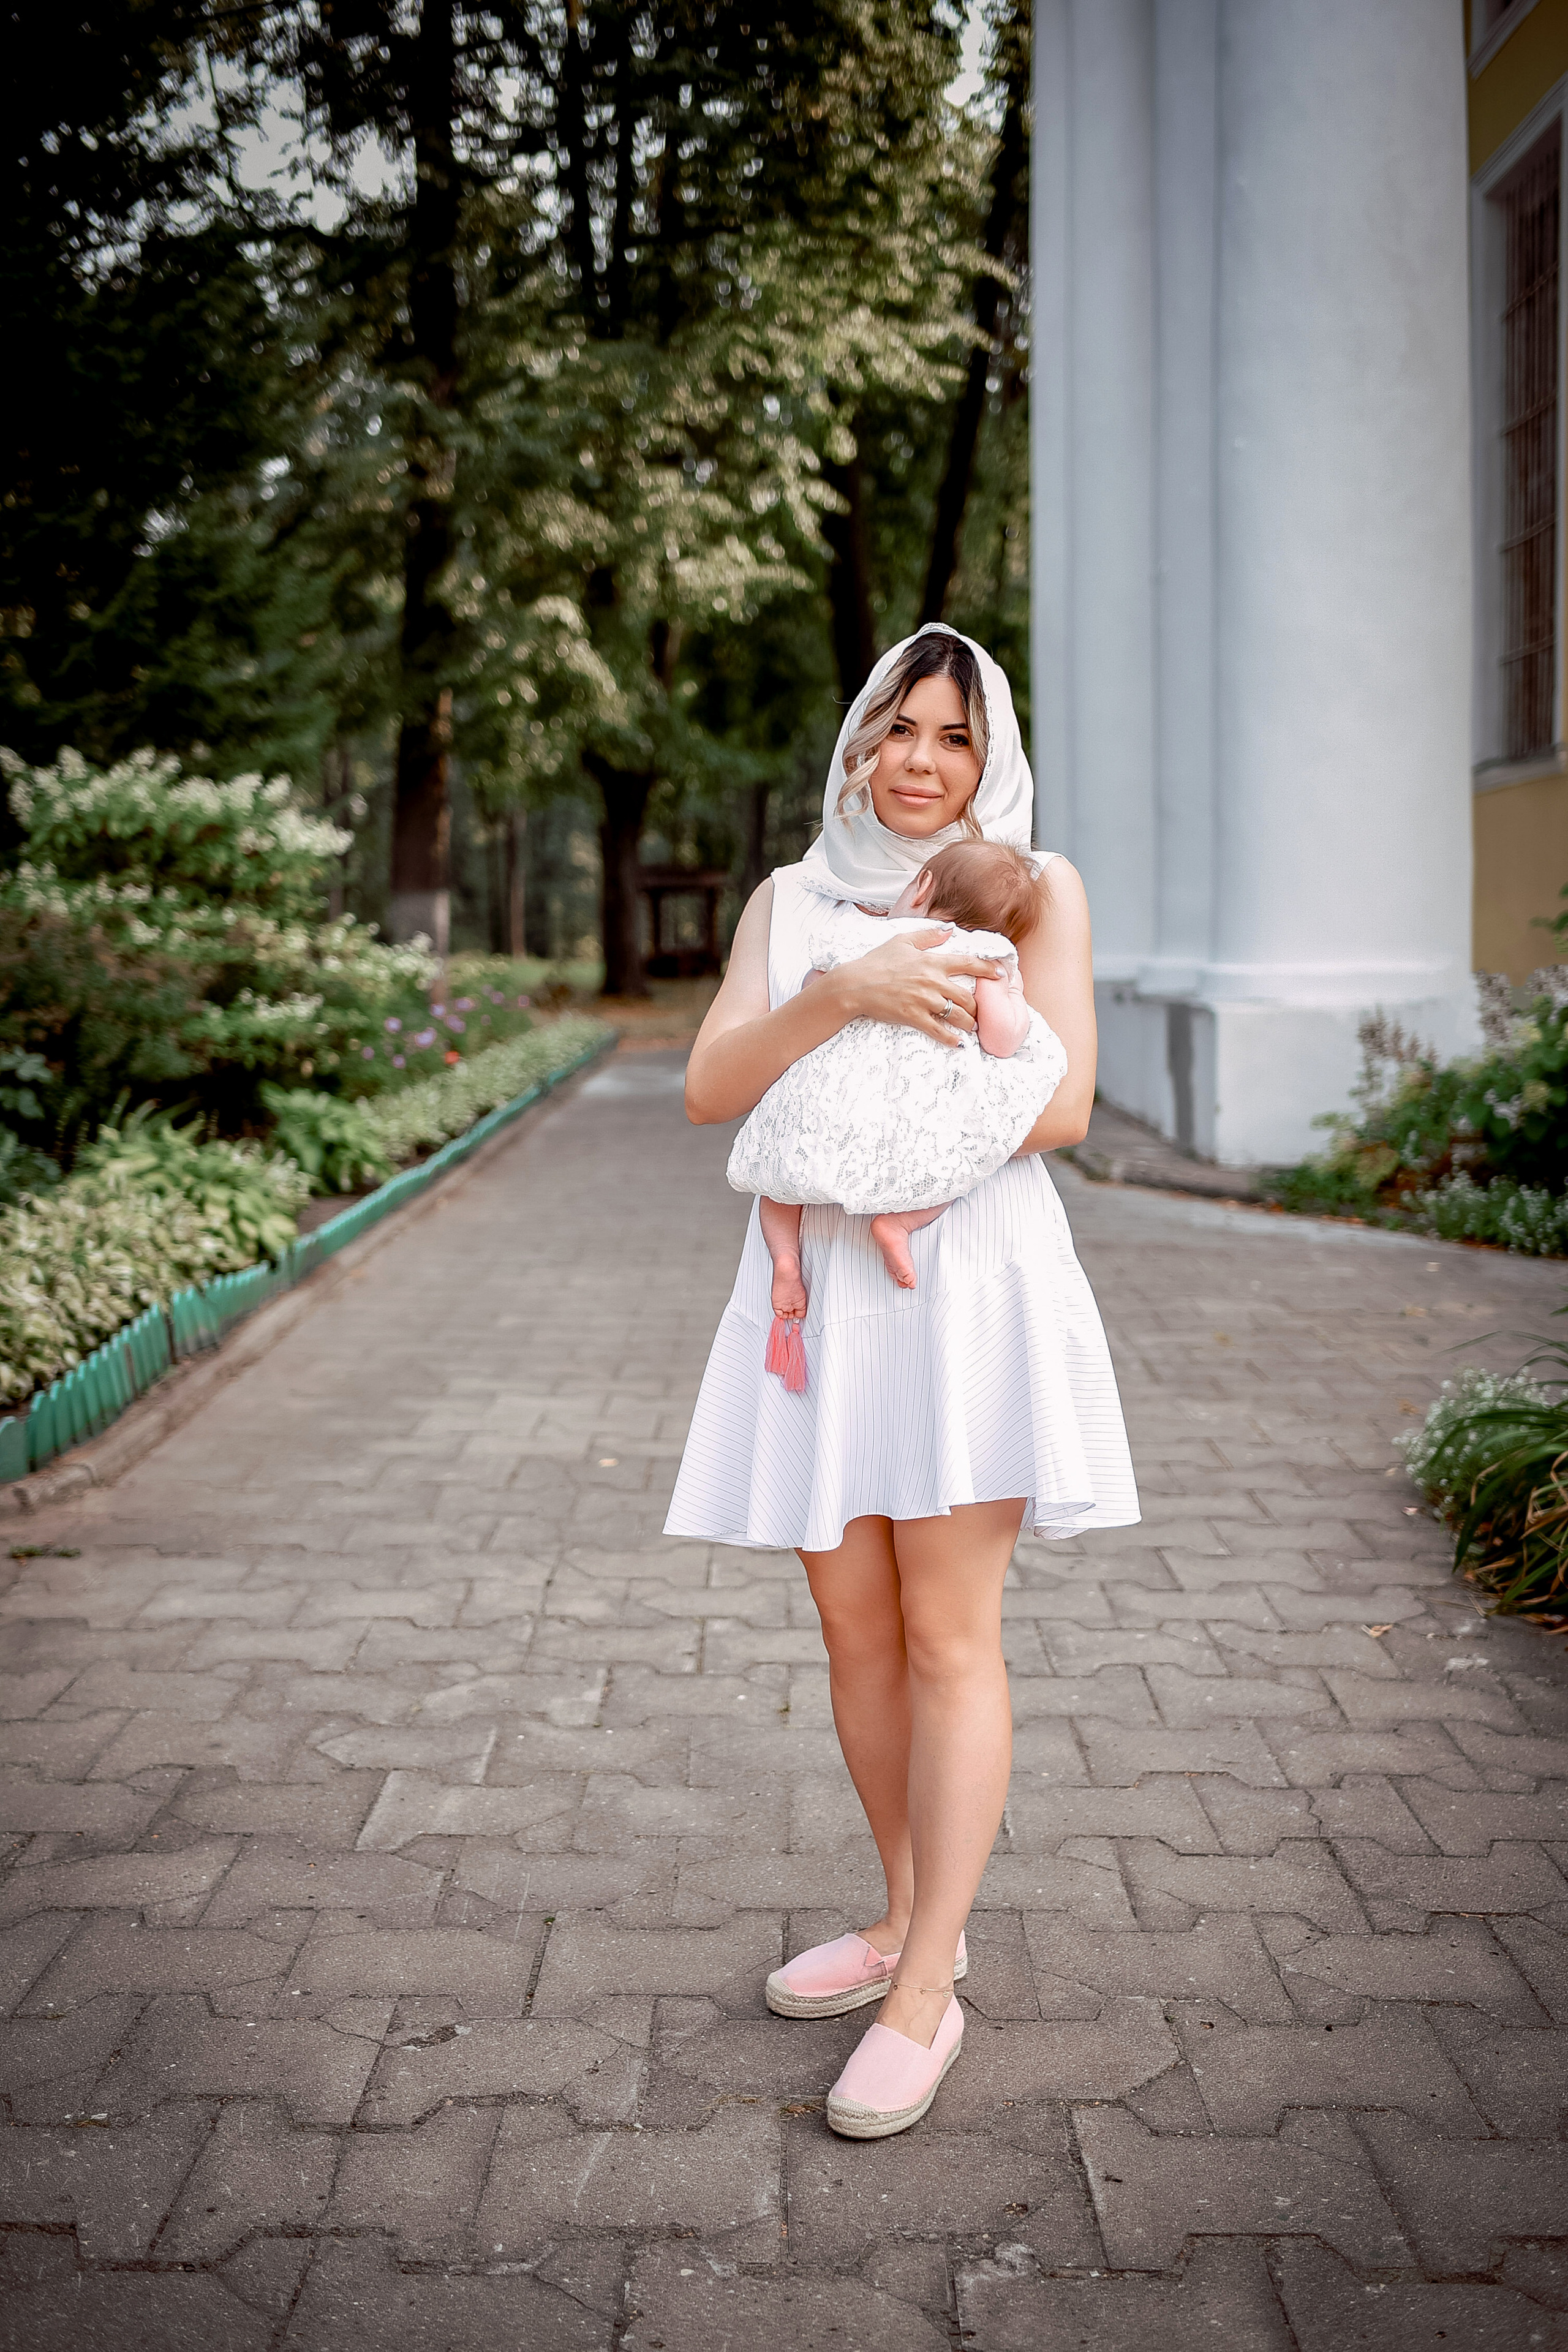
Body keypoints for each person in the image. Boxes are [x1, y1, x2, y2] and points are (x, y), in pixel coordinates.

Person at [665, 623, 1139, 2139]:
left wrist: (891, 1133)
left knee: (946, 1630)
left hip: (964, 1279)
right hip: (812, 1294)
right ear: (859, 740)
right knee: (847, 1622)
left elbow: (1058, 1098)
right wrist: (844, 989)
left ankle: (926, 1985)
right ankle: (892, 1912)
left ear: (987, 752)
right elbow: (706, 1087)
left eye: (952, 735)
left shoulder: (1033, 885)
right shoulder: (790, 899)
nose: (922, 763)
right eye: (897, 730)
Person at [731, 839, 1068, 1395]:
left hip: (836, 1096)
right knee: (965, 1159)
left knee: (780, 1171)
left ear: (922, 887)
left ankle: (786, 1259)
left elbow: (815, 990)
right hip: (916, 1109)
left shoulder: (867, 937)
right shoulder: (986, 957)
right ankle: (901, 1222)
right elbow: (1004, 1041)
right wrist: (1010, 992)